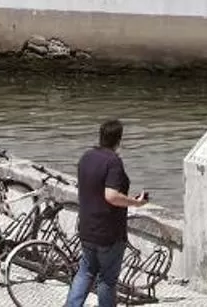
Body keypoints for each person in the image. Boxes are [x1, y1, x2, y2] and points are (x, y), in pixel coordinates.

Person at [66, 119, 147, 307]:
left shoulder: (86, 157)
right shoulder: (113, 162)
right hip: (108, 232)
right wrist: (136, 202)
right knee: (107, 280)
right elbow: (111, 196)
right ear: (119, 139)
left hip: (87, 227)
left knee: (85, 272)